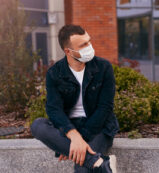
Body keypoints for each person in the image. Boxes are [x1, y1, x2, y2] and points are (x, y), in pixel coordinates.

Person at [30, 24, 119, 173]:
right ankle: (100, 163)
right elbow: (54, 109)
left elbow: (105, 108)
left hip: (99, 127)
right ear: (68, 51)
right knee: (38, 125)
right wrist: (72, 135)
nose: (89, 46)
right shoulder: (54, 73)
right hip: (71, 126)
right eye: (83, 45)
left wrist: (75, 142)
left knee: (82, 168)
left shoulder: (103, 67)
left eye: (88, 41)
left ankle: (95, 163)